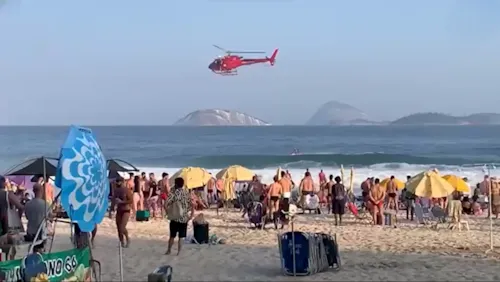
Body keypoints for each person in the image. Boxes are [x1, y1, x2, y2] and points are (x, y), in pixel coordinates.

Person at [165, 177, 194, 255]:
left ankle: (169, 250)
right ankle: (179, 252)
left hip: (175, 218)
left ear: (176, 184)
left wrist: (168, 213)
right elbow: (192, 204)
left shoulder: (173, 193)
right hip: (184, 218)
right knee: (181, 237)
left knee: (172, 236)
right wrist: (191, 215)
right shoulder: (186, 193)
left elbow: (166, 203)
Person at [111, 176, 132, 248]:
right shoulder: (116, 190)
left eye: (119, 181)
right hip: (119, 210)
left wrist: (122, 202)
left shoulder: (127, 190)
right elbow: (113, 200)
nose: (117, 183)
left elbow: (131, 200)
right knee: (118, 228)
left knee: (122, 227)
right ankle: (121, 242)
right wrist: (112, 209)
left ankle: (127, 239)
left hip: (126, 210)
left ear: (122, 182)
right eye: (117, 181)